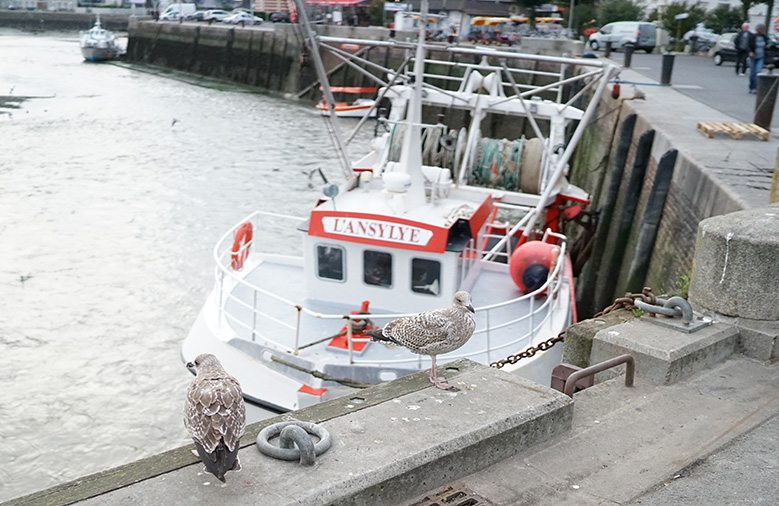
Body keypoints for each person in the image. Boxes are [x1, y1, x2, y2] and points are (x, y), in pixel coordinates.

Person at [747, 23, 769, 94]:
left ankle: (756, 88)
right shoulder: (753, 37)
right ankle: (751, 86)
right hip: (753, 56)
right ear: (756, 30)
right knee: (752, 73)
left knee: (758, 72)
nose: (760, 30)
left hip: (761, 57)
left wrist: (768, 46)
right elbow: (748, 46)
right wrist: (750, 52)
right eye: (759, 29)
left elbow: (767, 44)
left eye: (762, 29)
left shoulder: (764, 37)